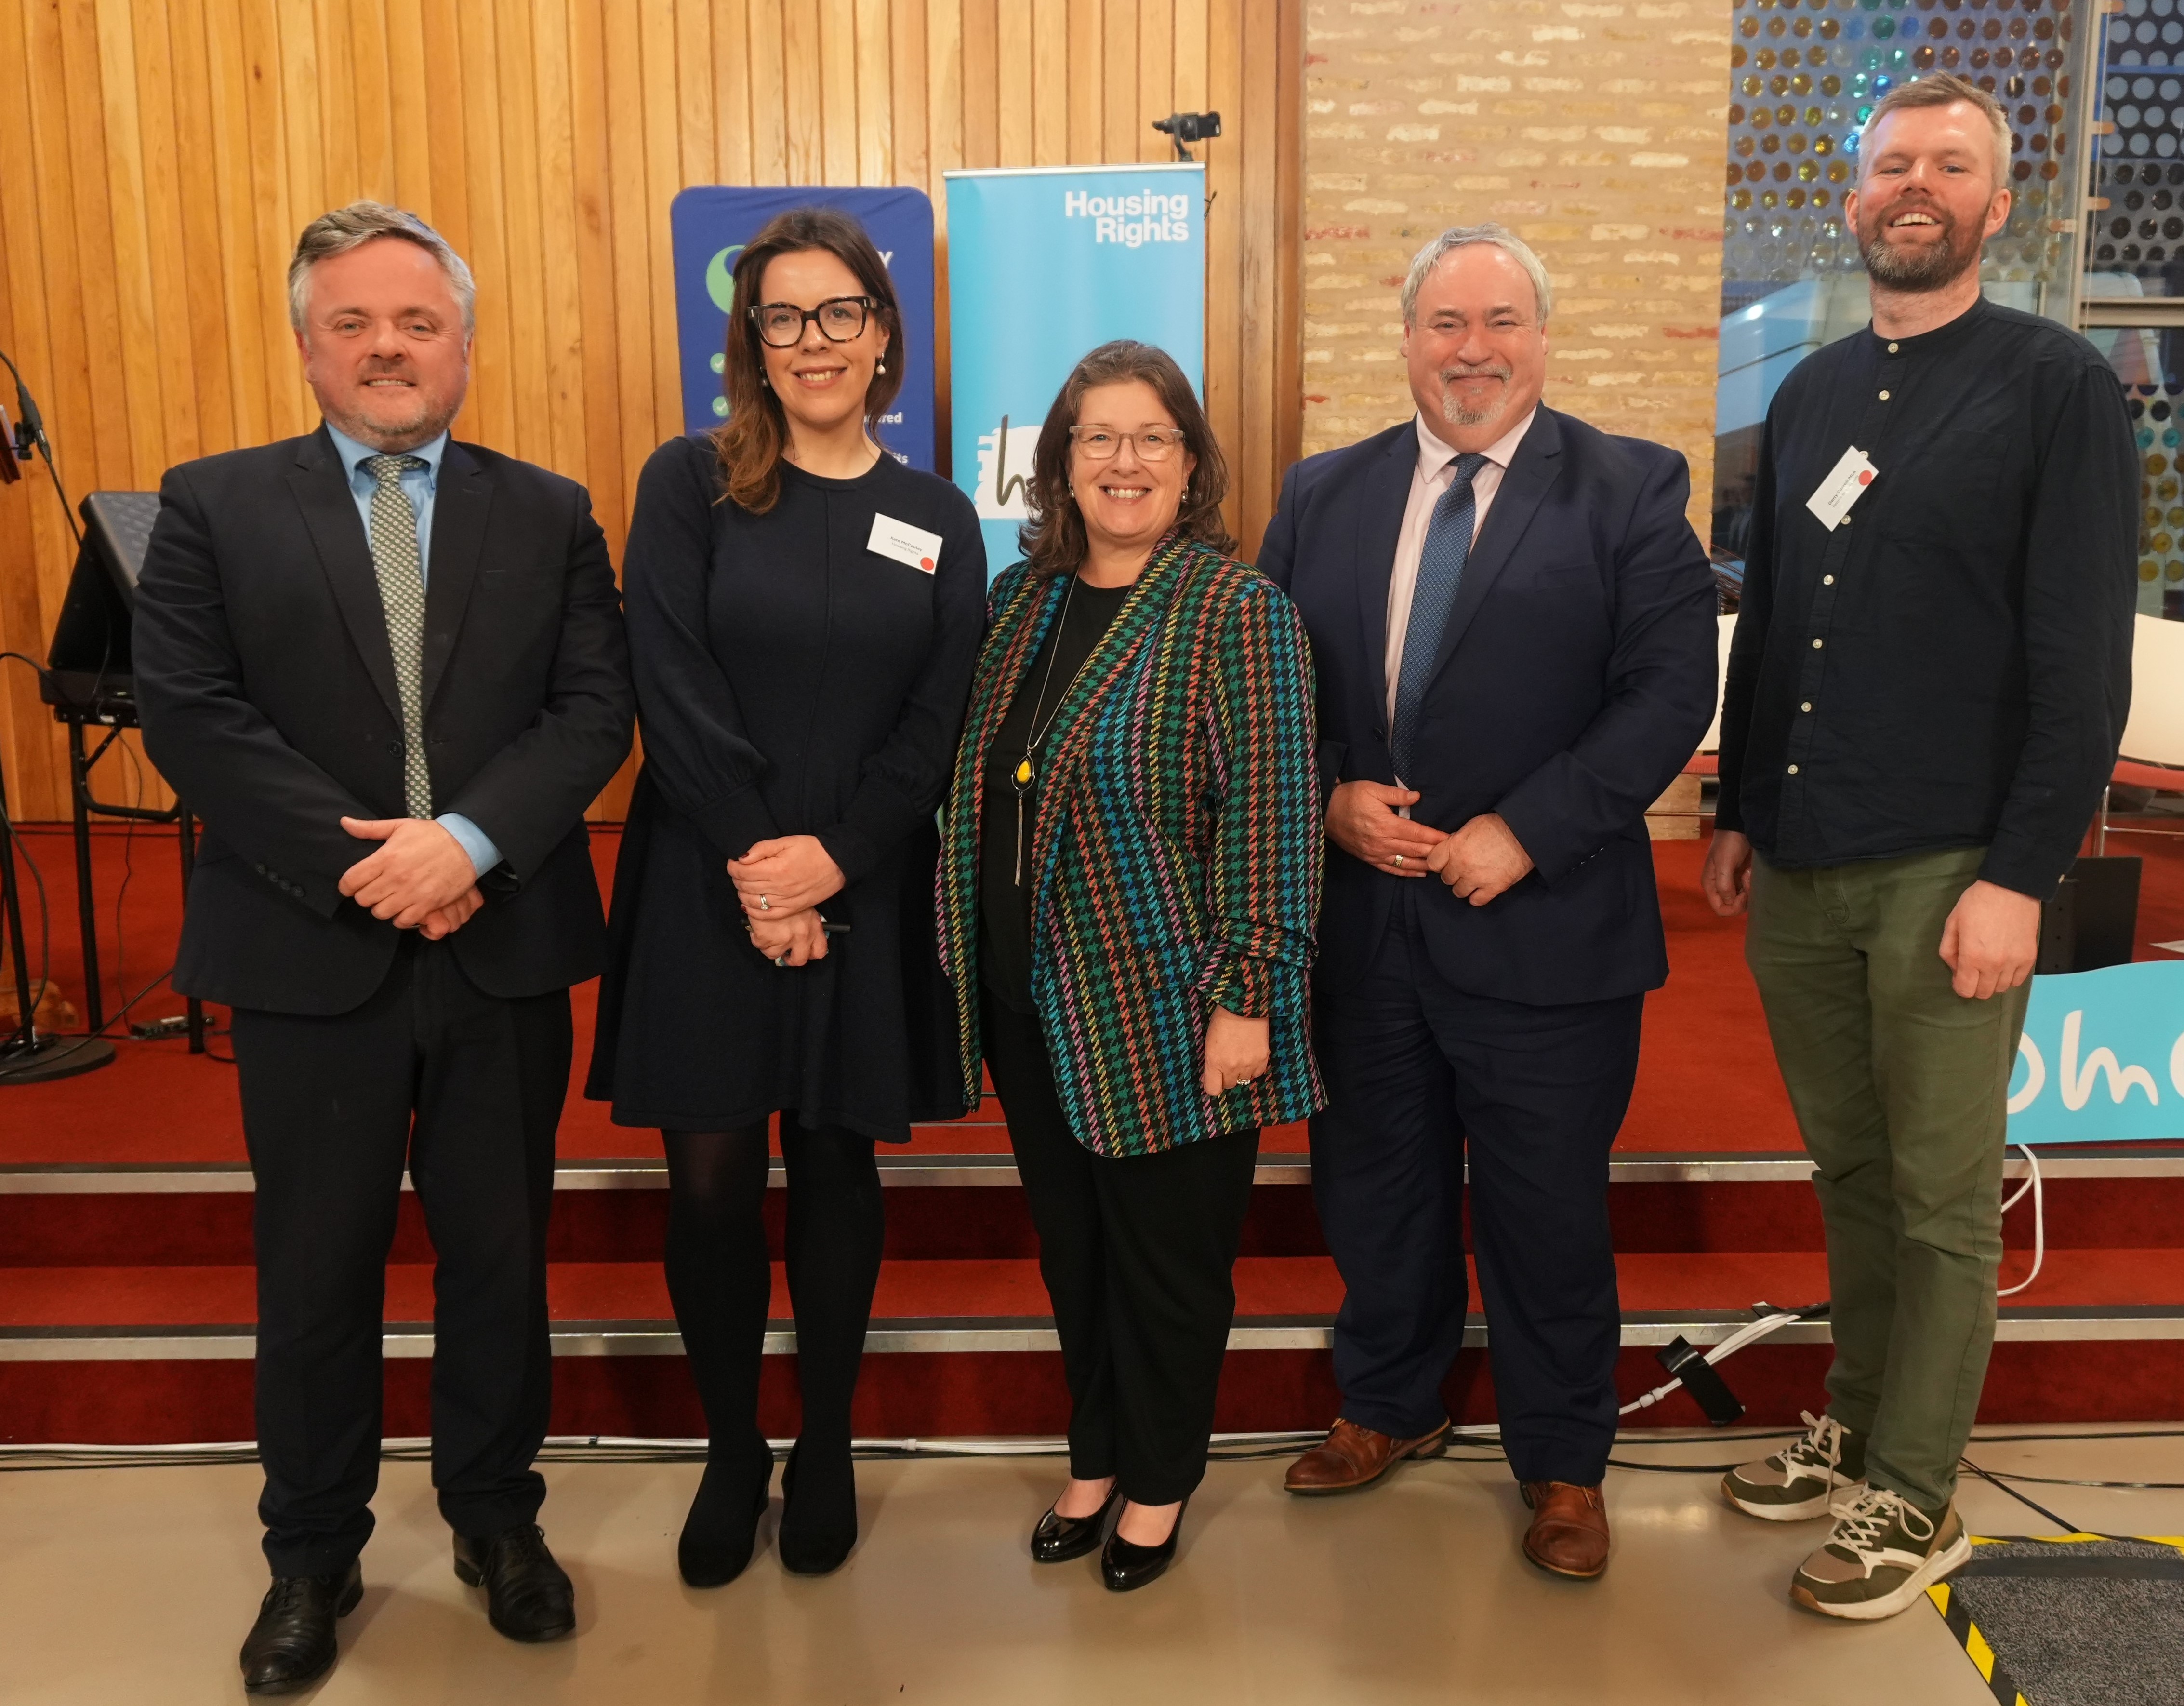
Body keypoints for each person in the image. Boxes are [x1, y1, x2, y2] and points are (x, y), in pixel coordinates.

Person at [132, 203, 634, 1693]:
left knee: (498, 1260)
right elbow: (194, 719)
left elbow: (592, 710)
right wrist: (382, 867)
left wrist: (465, 843)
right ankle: (313, 1548)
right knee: (316, 1267)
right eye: (351, 323)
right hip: (306, 953)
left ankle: (496, 1516)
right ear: (307, 347)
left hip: (502, 946)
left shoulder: (548, 512)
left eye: (416, 322)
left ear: (463, 346)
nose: (386, 348)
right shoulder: (212, 505)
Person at [1704, 73, 2136, 1620]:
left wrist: (2023, 872)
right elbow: (1768, 634)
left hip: (1956, 865)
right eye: (1892, 164)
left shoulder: (2057, 387)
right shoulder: (1812, 392)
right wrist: (1739, 805)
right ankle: (1860, 1419)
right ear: (1853, 196)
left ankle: (1918, 1488)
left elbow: (2083, 663)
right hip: (1807, 856)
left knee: (1944, 1194)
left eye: (1949, 166)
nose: (1915, 187)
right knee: (1851, 1162)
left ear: (1997, 204)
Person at [1259, 226, 1718, 1580]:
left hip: (1547, 924)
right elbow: (1273, 682)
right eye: (1446, 323)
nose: (1473, 349)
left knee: (1546, 1210)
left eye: (1501, 321)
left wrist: (1526, 830)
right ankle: (1387, 1402)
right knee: (1374, 1185)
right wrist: (1331, 790)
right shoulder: (1321, 492)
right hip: (1368, 926)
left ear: (1542, 335)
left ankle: (1564, 1460)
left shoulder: (1631, 488)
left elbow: (1668, 694)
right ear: (1405, 341)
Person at [586, 208, 985, 1585]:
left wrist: (839, 856)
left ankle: (821, 1441)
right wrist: (765, 864)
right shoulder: (693, 481)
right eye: (783, 317)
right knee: (707, 1181)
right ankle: (731, 1446)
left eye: (839, 314)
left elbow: (941, 716)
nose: (813, 340)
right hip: (709, 873)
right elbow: (673, 684)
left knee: (834, 1163)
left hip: (861, 885)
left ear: (884, 332)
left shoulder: (935, 515)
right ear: (749, 342)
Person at [935, 340, 1322, 1592]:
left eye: (1152, 436)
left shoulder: (1237, 609)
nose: (1124, 461)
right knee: (1075, 1251)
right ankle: (1094, 1452)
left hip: (1168, 1002)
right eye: (1097, 437)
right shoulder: (1020, 604)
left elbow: (1271, 811)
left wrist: (1250, 995)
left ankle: (1157, 1478)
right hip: (1030, 997)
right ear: (1059, 463)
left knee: (1166, 1262)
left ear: (1193, 461)